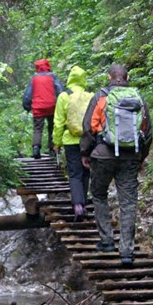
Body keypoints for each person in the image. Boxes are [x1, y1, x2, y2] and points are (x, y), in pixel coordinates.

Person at [80, 63, 152, 264]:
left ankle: (106, 241)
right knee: (128, 202)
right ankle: (127, 252)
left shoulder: (101, 96)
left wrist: (85, 152)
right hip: (131, 157)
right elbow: (147, 132)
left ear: (109, 76)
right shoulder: (138, 98)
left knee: (99, 194)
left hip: (103, 155)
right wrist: (141, 157)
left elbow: (88, 127)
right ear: (127, 77)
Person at [52, 65, 93, 217]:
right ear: (84, 79)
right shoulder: (90, 96)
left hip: (70, 140)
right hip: (88, 140)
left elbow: (58, 123)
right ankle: (85, 202)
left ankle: (77, 205)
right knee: (86, 171)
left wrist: (56, 143)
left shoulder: (64, 96)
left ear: (70, 79)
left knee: (74, 173)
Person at [21, 58, 64, 158]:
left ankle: (36, 148)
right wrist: (62, 101)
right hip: (51, 106)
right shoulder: (53, 76)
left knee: (37, 128)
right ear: (47, 66)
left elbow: (28, 93)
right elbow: (59, 89)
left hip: (38, 107)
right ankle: (52, 149)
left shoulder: (34, 78)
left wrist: (26, 105)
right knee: (52, 127)